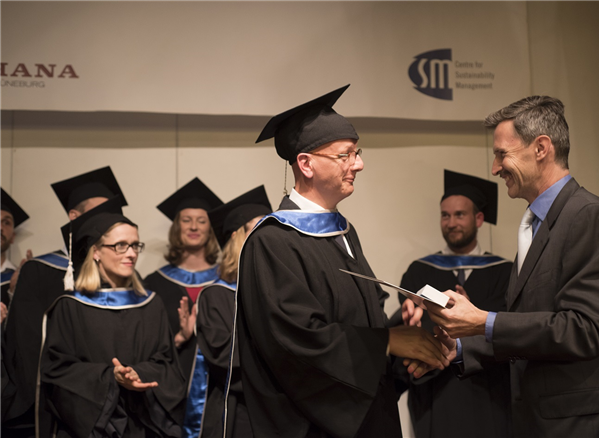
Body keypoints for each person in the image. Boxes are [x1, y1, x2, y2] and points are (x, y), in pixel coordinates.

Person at [235, 85, 452, 438]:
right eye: (345, 155)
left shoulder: (343, 232)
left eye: (357, 152)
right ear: (305, 164)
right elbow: (295, 343)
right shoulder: (273, 241)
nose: (359, 164)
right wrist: (386, 341)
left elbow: (356, 320)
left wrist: (403, 333)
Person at [428, 96, 599, 437]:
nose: (495, 168)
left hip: (581, 425)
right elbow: (533, 330)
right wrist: (463, 346)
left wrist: (483, 322)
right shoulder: (535, 224)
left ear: (541, 148)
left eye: (502, 154)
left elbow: (586, 330)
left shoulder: (587, 216)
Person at [38, 197, 185, 438]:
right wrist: (110, 378)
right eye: (120, 245)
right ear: (96, 251)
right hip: (92, 425)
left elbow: (167, 364)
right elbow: (57, 371)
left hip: (143, 425)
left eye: (135, 245)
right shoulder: (71, 306)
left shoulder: (151, 303)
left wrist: (139, 374)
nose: (131, 254)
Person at [1, 166, 126, 438]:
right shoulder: (39, 270)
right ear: (74, 216)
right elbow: (24, 345)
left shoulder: (123, 274)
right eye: (99, 211)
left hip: (110, 407)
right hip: (51, 407)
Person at [393, 170, 512, 438]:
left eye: (460, 215)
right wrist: (414, 317)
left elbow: (511, 329)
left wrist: (475, 316)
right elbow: (409, 326)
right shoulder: (419, 271)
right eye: (445, 215)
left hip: (489, 394)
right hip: (435, 396)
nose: (451, 222)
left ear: (479, 219)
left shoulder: (505, 272)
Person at [143, 177, 223, 437]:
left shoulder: (228, 282)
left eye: (201, 220)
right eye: (186, 220)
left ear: (211, 229)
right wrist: (178, 339)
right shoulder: (153, 284)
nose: (194, 227)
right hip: (168, 393)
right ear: (176, 227)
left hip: (219, 389)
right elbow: (142, 344)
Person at [194, 185, 272, 438]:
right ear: (237, 237)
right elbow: (224, 355)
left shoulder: (280, 293)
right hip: (240, 411)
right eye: (258, 228)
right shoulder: (217, 295)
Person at [0, 187, 30, 311]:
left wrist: (14, 292)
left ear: (13, 237)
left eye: (6, 222)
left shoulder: (17, 277)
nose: (0, 227)